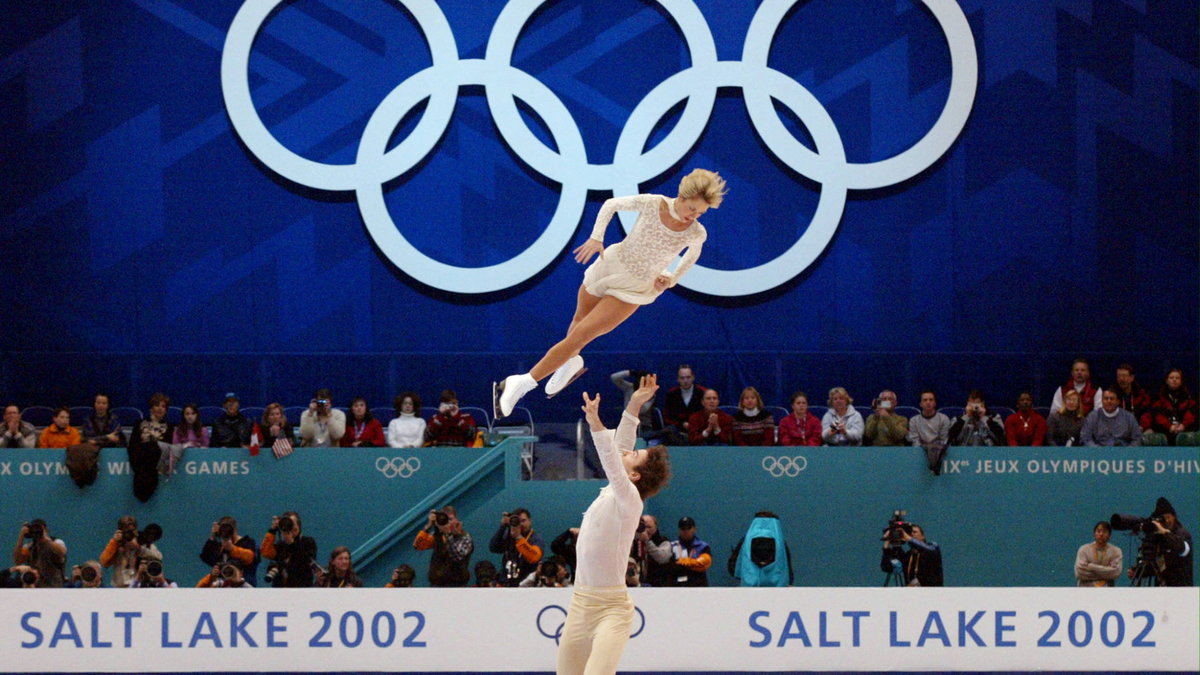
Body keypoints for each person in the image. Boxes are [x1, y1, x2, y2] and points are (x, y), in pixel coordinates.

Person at [496, 170, 728, 418]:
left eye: (701, 213)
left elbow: (693, 255)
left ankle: (523, 381)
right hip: (611, 264)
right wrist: (597, 238)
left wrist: (672, 277)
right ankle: (569, 362)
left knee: (582, 335)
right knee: (578, 323)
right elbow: (611, 204)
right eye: (692, 208)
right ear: (683, 196)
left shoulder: (696, 232)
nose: (694, 216)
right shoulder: (653, 203)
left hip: (635, 287)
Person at [556, 375, 671, 675]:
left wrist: (595, 423)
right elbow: (620, 446)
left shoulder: (630, 500)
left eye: (633, 456)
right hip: (580, 603)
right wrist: (633, 404)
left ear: (634, 476)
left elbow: (611, 458)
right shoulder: (614, 490)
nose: (626, 452)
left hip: (612, 610)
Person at [126, 393, 173, 501]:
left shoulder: (169, 426)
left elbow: (167, 447)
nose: (160, 409)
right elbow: (132, 445)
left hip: (155, 463)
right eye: (157, 405)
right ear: (151, 408)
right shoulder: (139, 423)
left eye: (163, 406)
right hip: (140, 462)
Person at [727, 511, 793, 587]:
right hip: (776, 589)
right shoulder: (781, 543)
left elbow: (733, 567)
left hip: (749, 589)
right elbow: (787, 566)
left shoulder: (745, 542)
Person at [413, 505, 473, 587]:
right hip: (437, 585)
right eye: (445, 519)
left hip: (456, 585)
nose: (448, 522)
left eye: (451, 519)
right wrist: (429, 525)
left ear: (456, 520)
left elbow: (457, 556)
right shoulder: (439, 536)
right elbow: (418, 546)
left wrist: (448, 534)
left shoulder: (464, 537)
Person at [99, 515, 162, 588]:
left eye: (131, 530)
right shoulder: (116, 543)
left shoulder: (142, 541)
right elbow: (104, 561)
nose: (129, 534)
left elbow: (158, 557)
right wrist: (114, 542)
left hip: (138, 586)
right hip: (119, 587)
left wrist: (139, 548)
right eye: (126, 531)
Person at [488, 507, 544, 587]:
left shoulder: (536, 539)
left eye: (523, 521)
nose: (521, 524)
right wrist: (503, 527)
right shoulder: (509, 536)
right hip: (506, 583)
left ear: (530, 521)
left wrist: (519, 537)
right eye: (518, 522)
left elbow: (534, 557)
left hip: (526, 584)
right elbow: (493, 548)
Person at [261, 511, 318, 588]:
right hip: (281, 588)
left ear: (298, 525)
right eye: (288, 523)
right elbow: (265, 552)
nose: (290, 526)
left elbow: (306, 561)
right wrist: (272, 530)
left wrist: (291, 543)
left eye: (292, 523)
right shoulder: (281, 545)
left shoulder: (308, 542)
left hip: (301, 587)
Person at [1140, 369, 1197, 446]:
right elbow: (1155, 415)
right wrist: (1169, 426)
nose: (1174, 380)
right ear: (1167, 381)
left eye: (1177, 378)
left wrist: (1183, 425)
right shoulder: (1158, 398)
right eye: (1171, 378)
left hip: (1184, 430)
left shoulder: (1189, 398)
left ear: (1181, 381)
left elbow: (1192, 414)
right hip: (1163, 431)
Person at [1145, 497, 1193, 587]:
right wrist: (1140, 572)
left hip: (1181, 589)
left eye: (1168, 517)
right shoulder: (1158, 537)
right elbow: (1159, 564)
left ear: (1174, 517)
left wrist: (1165, 533)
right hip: (1162, 588)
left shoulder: (1183, 534)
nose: (1167, 521)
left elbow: (1181, 549)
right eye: (1163, 518)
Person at [200, 516, 259, 587]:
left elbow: (250, 558)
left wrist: (232, 548)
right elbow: (207, 558)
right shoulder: (220, 547)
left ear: (234, 529)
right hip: (223, 586)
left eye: (228, 530)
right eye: (223, 530)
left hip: (244, 586)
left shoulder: (248, 542)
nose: (226, 533)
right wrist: (213, 536)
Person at [11, 519, 67, 588]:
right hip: (35, 586)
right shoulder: (29, 547)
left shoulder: (56, 542)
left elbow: (62, 552)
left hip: (53, 585)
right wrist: (21, 536)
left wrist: (46, 539)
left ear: (46, 530)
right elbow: (17, 561)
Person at [907, 390, 951, 474]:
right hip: (920, 453)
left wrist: (934, 452)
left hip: (939, 452)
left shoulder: (944, 419)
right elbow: (915, 441)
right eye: (925, 400)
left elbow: (944, 440)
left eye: (931, 400)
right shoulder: (914, 420)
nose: (928, 402)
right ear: (920, 404)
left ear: (935, 403)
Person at [662, 364, 708, 444]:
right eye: (682, 378)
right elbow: (667, 418)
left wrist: (694, 424)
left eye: (688, 377)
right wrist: (682, 424)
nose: (685, 380)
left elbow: (707, 413)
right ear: (678, 379)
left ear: (693, 378)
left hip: (699, 430)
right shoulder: (671, 394)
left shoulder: (703, 393)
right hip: (678, 432)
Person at [1074, 521, 1122, 587]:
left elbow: (1115, 573)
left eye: (1104, 532)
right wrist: (1105, 573)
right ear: (1094, 534)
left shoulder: (1116, 551)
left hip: (1107, 592)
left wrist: (1091, 567)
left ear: (1109, 535)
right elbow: (1079, 573)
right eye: (1098, 531)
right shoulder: (1084, 549)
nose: (1101, 534)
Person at [668, 516, 712, 586]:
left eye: (689, 528)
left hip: (699, 585)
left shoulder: (703, 546)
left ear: (694, 529)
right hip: (678, 586)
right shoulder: (672, 546)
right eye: (683, 529)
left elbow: (705, 563)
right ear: (679, 530)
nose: (686, 531)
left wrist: (689, 563)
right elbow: (670, 567)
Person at [635, 515, 674, 587]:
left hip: (660, 584)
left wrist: (647, 541)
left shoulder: (664, 541)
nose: (646, 530)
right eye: (643, 527)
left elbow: (662, 558)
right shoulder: (635, 542)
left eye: (649, 527)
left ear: (656, 527)